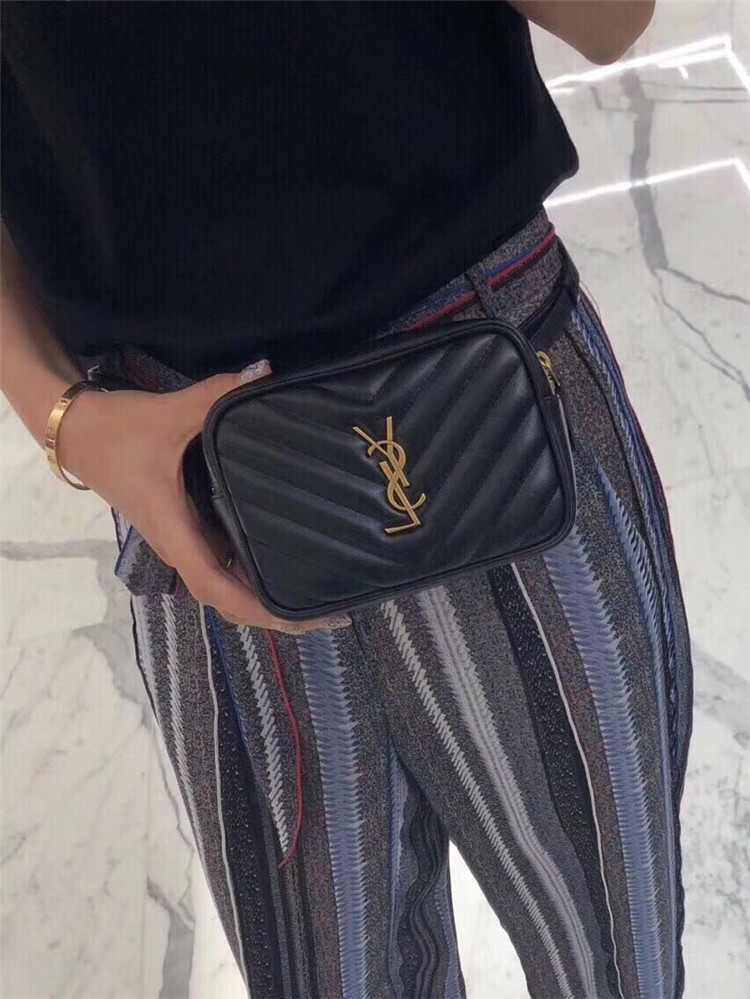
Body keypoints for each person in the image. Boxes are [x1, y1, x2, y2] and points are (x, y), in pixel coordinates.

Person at [1, 3, 692, 997]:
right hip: (194, 480)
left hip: (493, 394)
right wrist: (64, 418)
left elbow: (611, 19)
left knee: (619, 964)